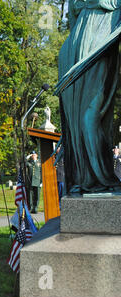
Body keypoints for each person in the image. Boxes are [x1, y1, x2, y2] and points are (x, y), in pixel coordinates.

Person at [58, 1, 121, 193]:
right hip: (74, 49)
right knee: (75, 122)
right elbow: (73, 20)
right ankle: (82, 177)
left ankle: (101, 178)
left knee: (89, 117)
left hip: (100, 44)